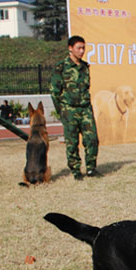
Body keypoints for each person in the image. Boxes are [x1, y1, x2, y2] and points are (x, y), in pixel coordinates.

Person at [50, 35, 98, 180]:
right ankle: (76, 169)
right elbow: (54, 92)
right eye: (79, 48)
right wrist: (62, 111)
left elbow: (86, 88)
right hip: (69, 109)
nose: (82, 51)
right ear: (70, 48)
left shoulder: (85, 67)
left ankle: (91, 168)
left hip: (85, 108)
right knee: (72, 141)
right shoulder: (61, 67)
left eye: (83, 48)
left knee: (92, 139)